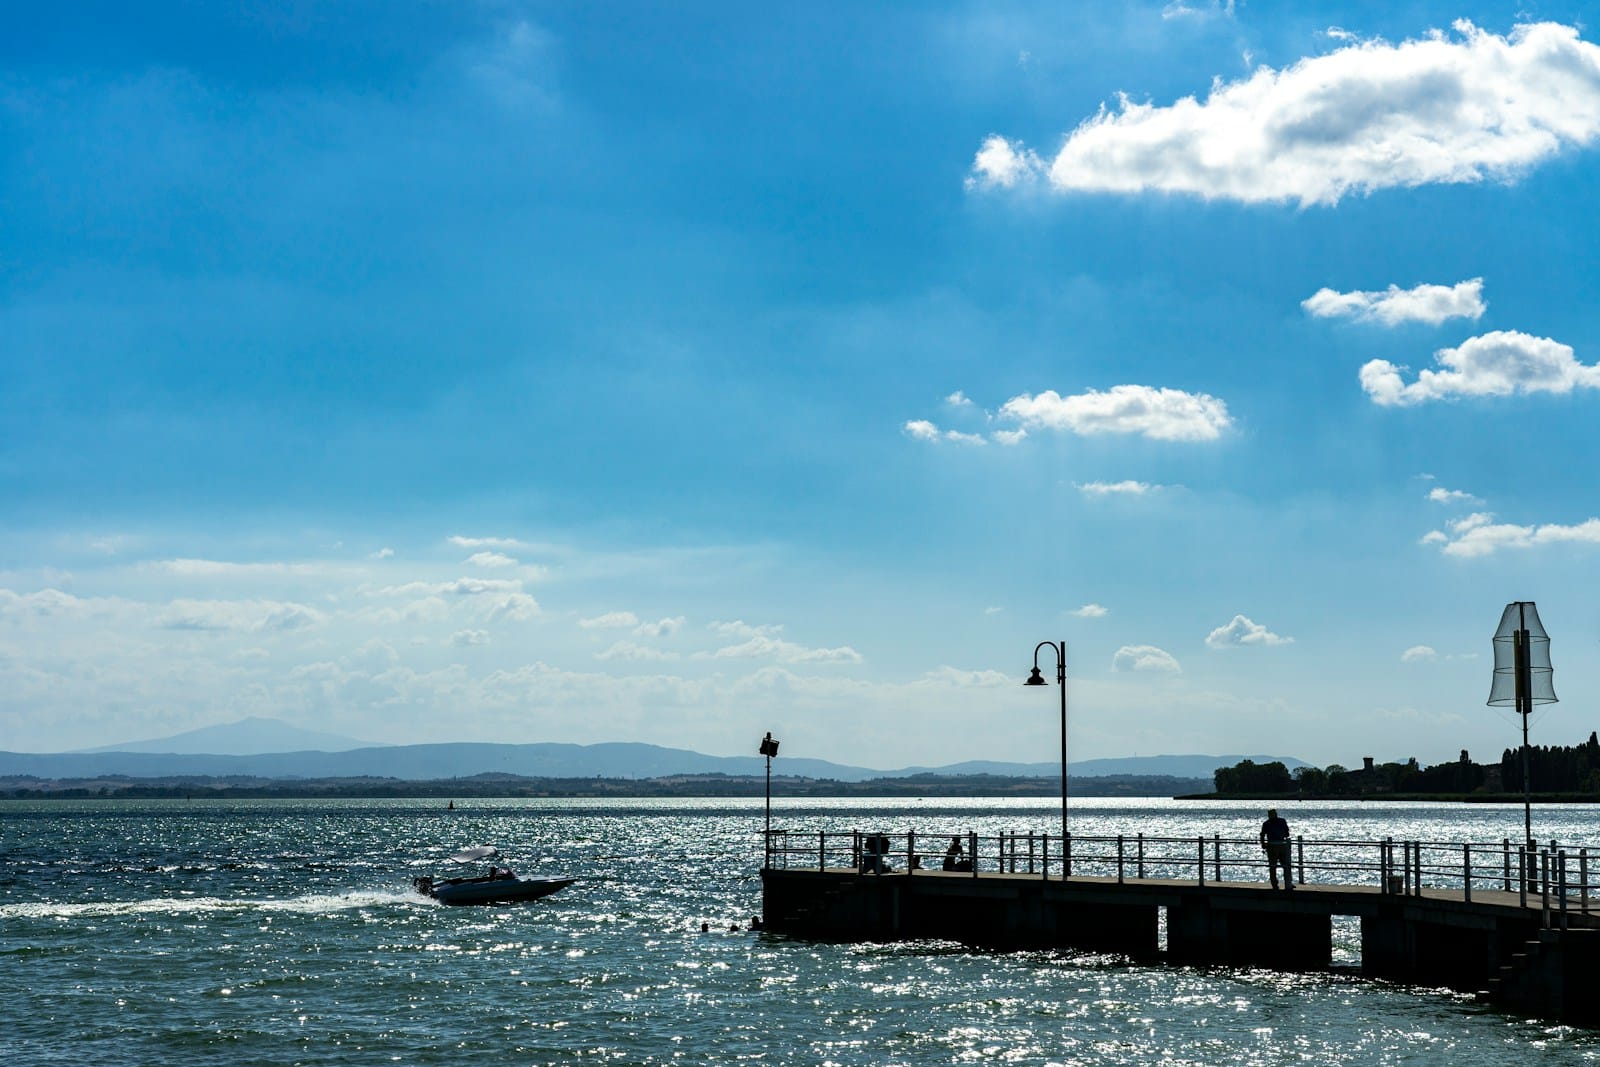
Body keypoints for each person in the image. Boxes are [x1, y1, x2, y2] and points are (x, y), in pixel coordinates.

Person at [1259, 808, 1294, 889]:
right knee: (1285, 865)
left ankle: (1275, 884)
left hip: (1271, 846)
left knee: (1273, 866)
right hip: (1282, 845)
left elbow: (1262, 835)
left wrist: (1263, 844)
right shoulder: (1282, 821)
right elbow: (1287, 833)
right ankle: (1288, 882)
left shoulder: (1266, 823)